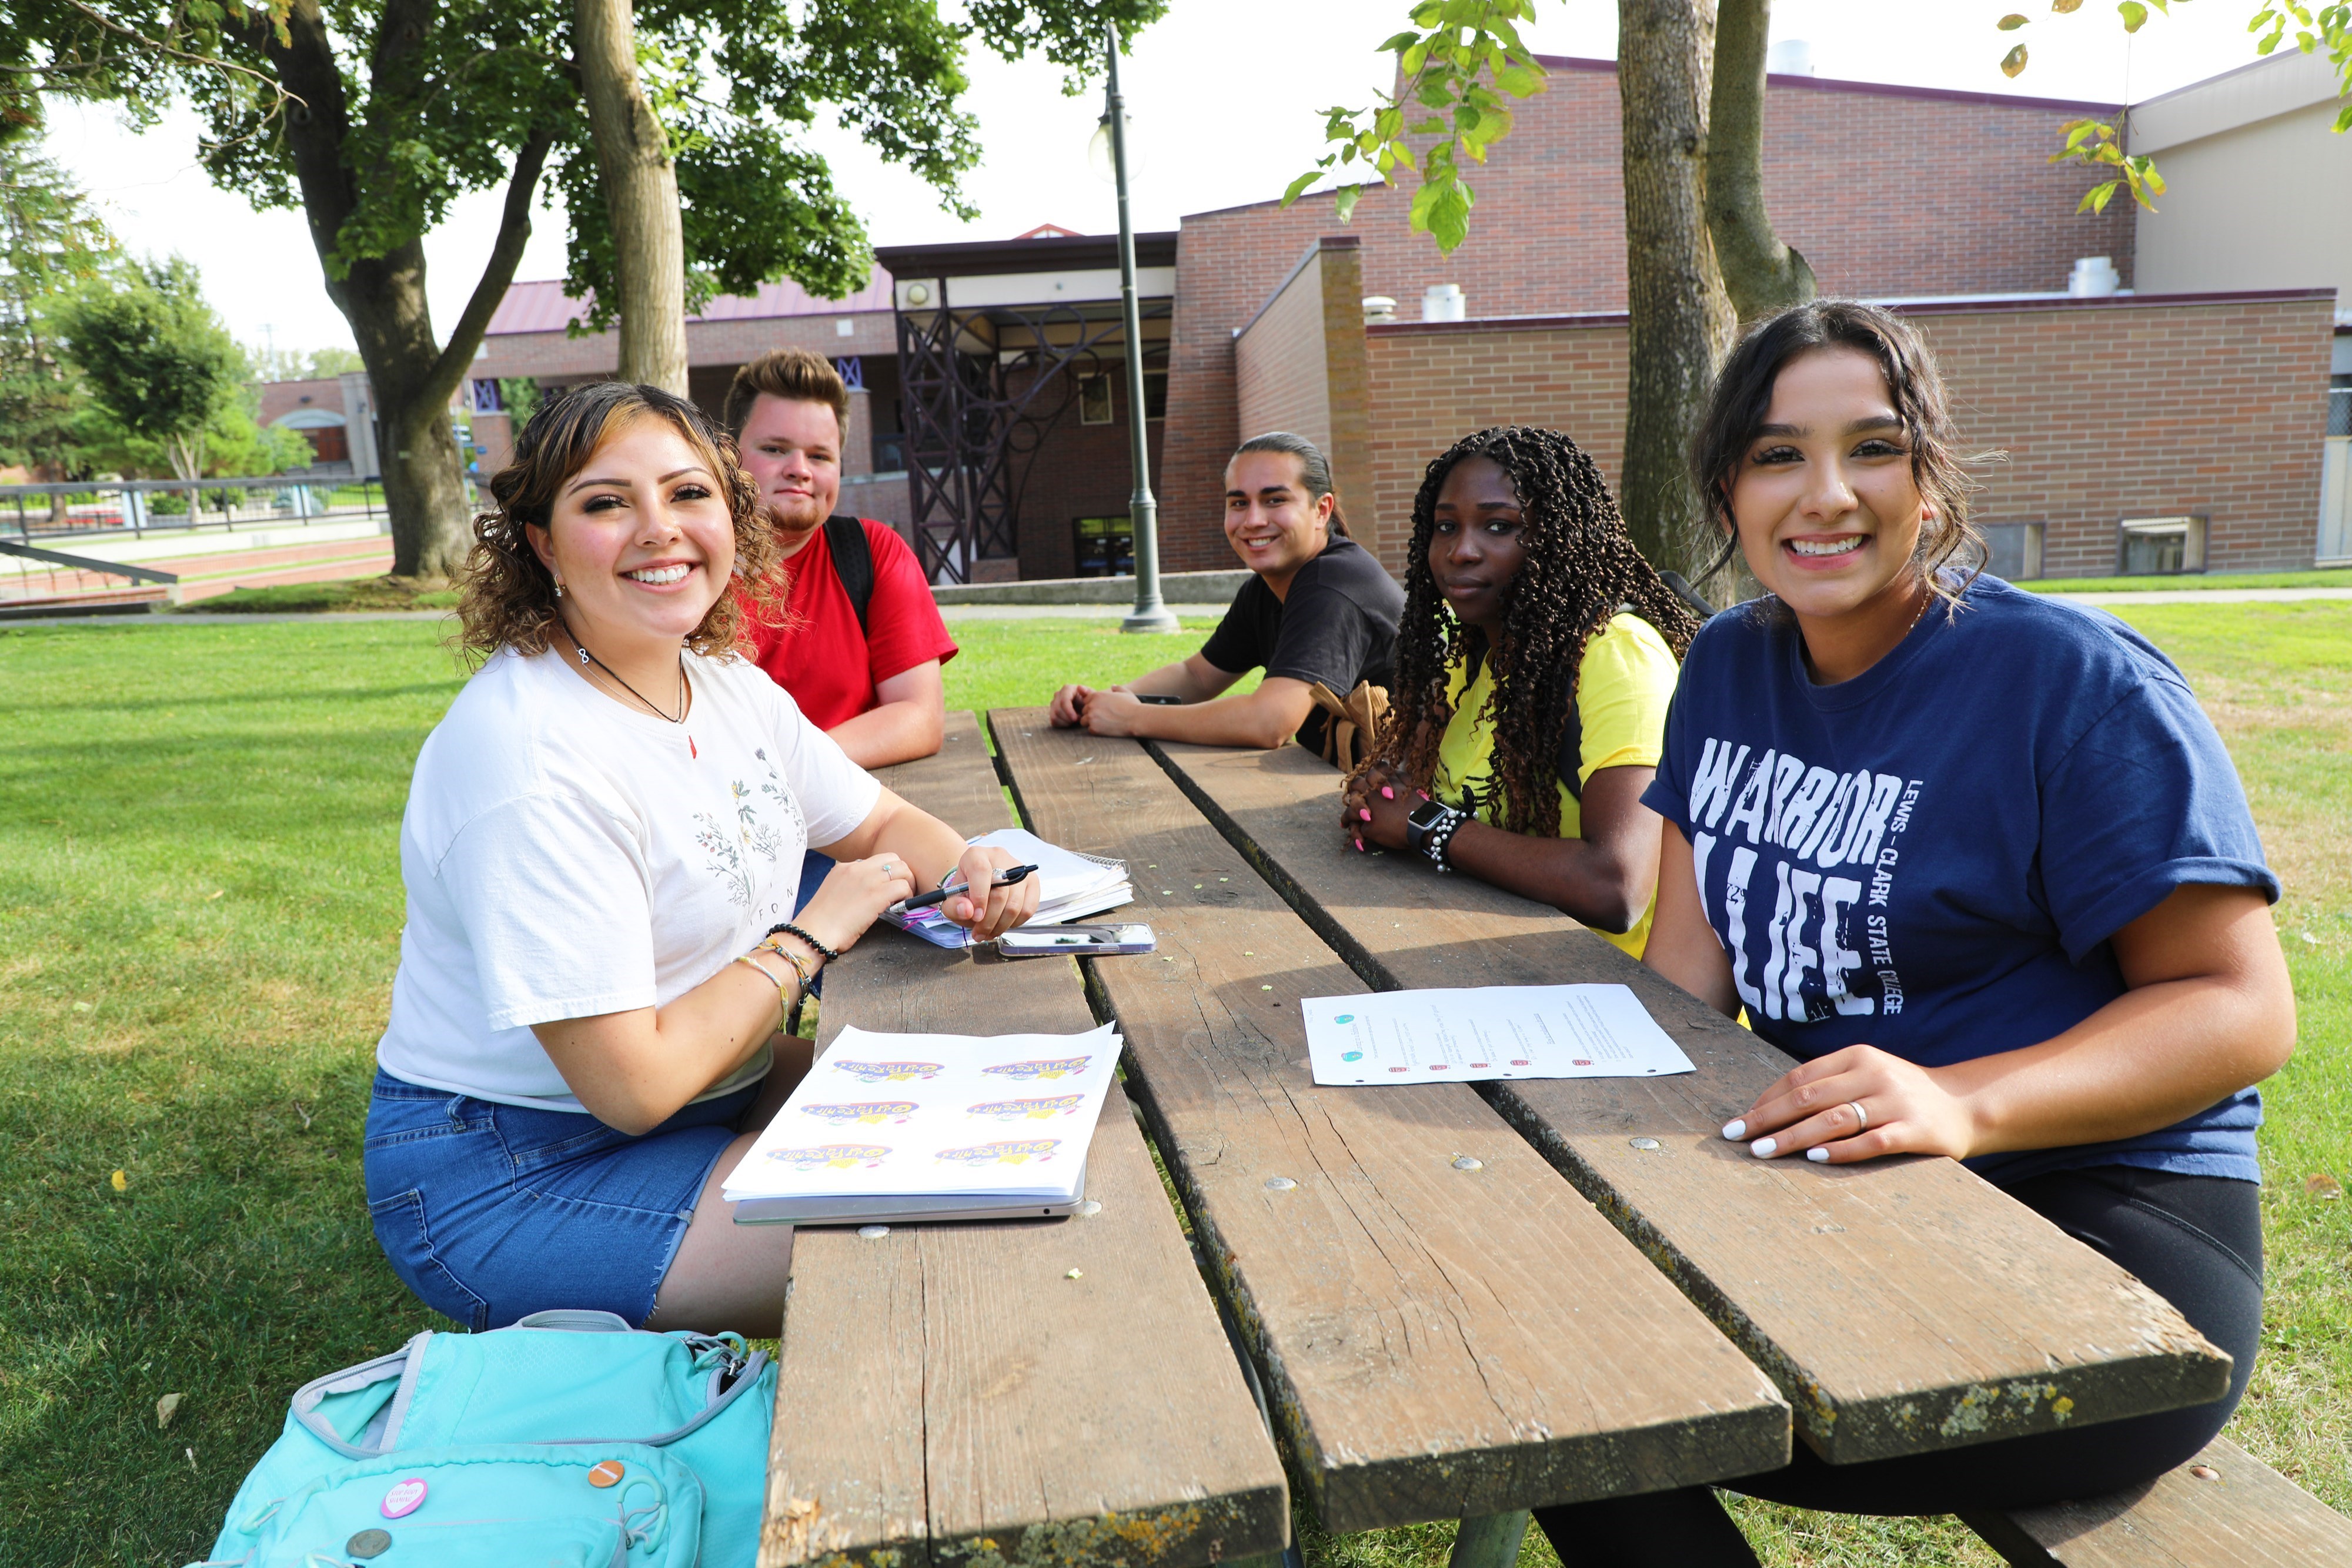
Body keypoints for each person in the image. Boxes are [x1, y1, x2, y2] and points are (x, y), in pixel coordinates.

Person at [1532, 300, 2296, 1566]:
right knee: (1539, 1338)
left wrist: (1961, 1103)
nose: (1822, 495)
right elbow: (1683, 973)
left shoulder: (2070, 679)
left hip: (2104, 1225)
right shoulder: (1724, 663)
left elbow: (2237, 1005)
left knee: (1590, 1393)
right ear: (1725, 487)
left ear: (1928, 474)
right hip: (1852, 1189)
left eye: (1869, 447)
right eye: (1777, 454)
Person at [363, 382, 1038, 1340]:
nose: (659, 528)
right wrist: (810, 935)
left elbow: (881, 818)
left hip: (717, 1087)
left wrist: (974, 863)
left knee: (1000, 1116)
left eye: (688, 494)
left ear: (731, 515)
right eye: (606, 502)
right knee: (947, 1239)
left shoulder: (724, 686)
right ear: (543, 543)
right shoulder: (527, 759)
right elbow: (631, 1085)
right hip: (520, 1169)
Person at [1338, 426, 1699, 957]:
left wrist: (1424, 824)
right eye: (1445, 526)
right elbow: (1437, 794)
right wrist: (1384, 795)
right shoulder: (1476, 653)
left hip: (1611, 997)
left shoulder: (1616, 656)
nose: (1462, 550)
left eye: (1499, 526)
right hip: (1481, 956)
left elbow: (1617, 885)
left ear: (1560, 536)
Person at [1048, 431, 1403, 757]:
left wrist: (1134, 717)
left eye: (1275, 500)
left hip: (1418, 806)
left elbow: (1270, 723)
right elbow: (1197, 676)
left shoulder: (1332, 584)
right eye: (1238, 503)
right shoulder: (1268, 588)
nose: (1252, 520)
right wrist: (1102, 701)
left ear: (1321, 510)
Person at [729, 347, 958, 768]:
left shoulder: (873, 552)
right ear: (729, 457)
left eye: (820, 456)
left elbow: (919, 716)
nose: (801, 469)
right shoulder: (680, 567)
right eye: (776, 449)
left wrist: (790, 772)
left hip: (854, 816)